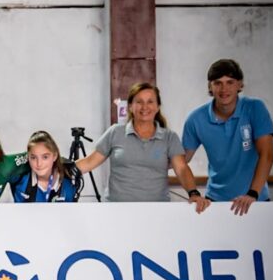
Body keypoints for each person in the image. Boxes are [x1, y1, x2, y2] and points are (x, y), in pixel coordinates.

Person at [75, 82, 208, 212]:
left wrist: (193, 193)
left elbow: (182, 169)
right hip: (116, 211)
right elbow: (89, 162)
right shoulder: (115, 132)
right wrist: (60, 167)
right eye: (139, 102)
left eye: (150, 102)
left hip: (157, 212)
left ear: (157, 107)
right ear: (130, 107)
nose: (145, 107)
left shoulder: (169, 137)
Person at [182, 58, 273, 215]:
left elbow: (267, 155)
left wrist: (252, 194)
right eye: (218, 83)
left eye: (230, 82)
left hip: (254, 200)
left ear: (239, 84)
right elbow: (181, 160)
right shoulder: (196, 118)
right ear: (210, 86)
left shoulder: (255, 108)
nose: (224, 88)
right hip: (215, 201)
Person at [10, 131, 83, 203]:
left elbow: (90, 162)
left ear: (54, 156)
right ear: (28, 157)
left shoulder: (67, 179)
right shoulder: (20, 179)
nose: (39, 164)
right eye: (33, 157)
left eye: (45, 157)